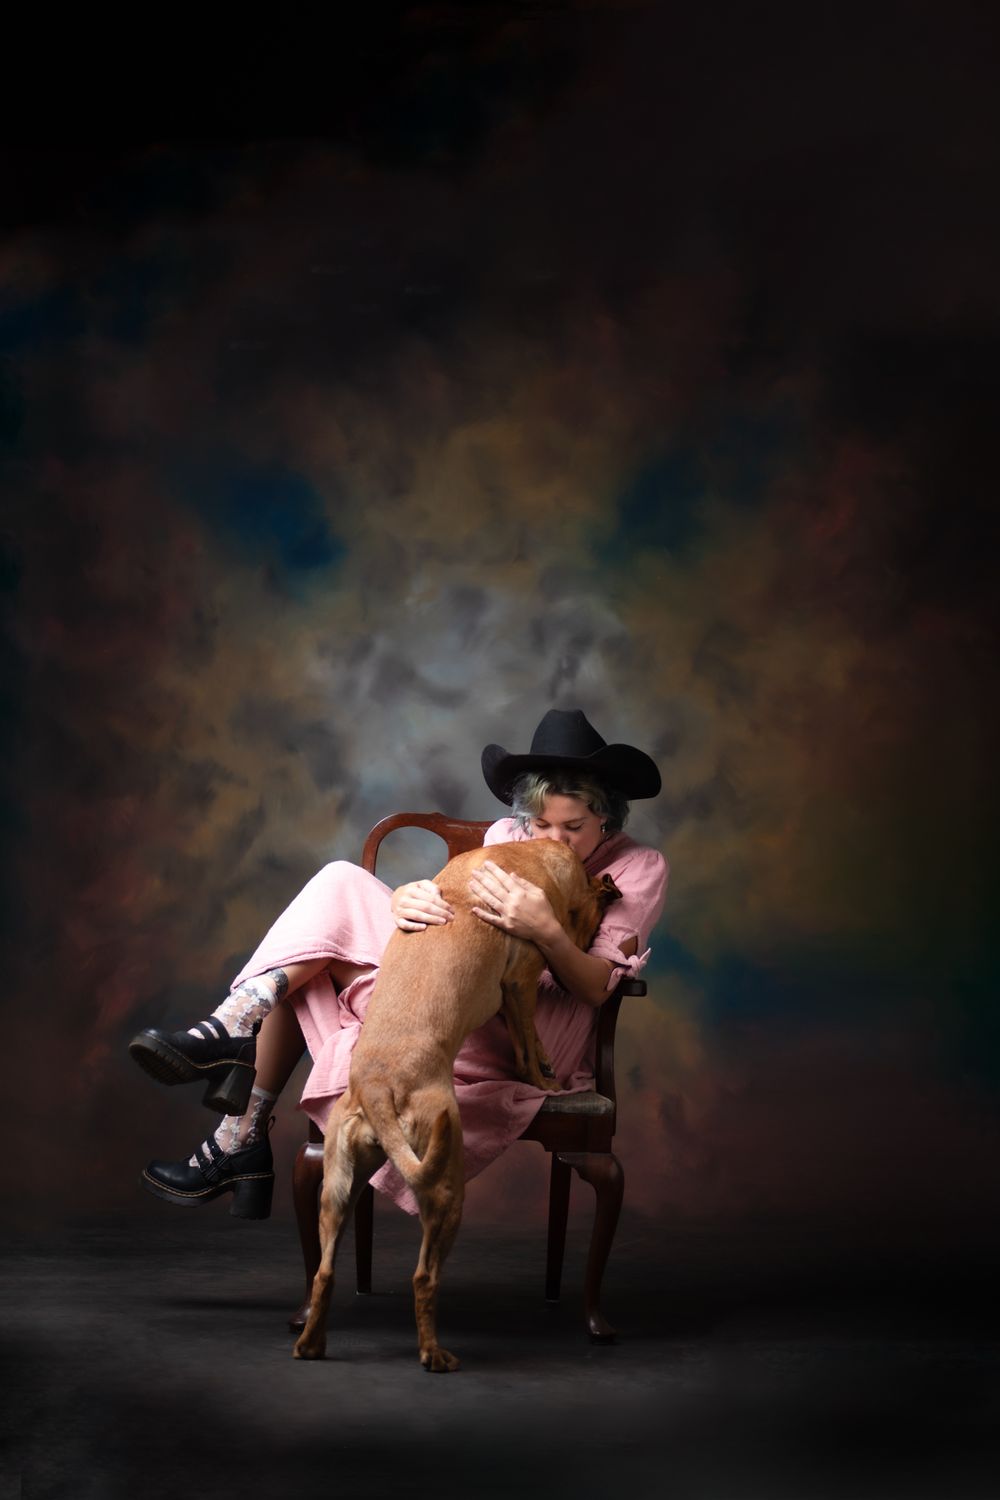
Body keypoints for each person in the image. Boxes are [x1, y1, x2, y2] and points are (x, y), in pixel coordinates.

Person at [130, 709, 669, 1217]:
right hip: (457, 994)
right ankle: (236, 1024)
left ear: (606, 817)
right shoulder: (508, 837)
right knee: (340, 884)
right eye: (540, 826)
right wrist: (406, 901)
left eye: (572, 828)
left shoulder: (638, 866)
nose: (553, 841)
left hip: (533, 1031)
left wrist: (545, 929)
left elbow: (598, 989)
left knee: (315, 962)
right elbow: (461, 934)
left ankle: (238, 1121)